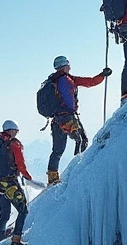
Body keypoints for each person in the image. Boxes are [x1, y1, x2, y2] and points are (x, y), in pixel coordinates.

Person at [44, 56, 110, 185]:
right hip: (67, 118)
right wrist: (103, 75)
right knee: (81, 139)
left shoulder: (52, 81)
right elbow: (89, 82)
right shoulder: (68, 80)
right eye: (68, 65)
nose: (70, 67)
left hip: (56, 120)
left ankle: (52, 178)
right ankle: (78, 168)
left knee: (57, 150)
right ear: (64, 66)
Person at [0, 120, 32, 245]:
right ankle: (16, 240)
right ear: (12, 130)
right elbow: (20, 162)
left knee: (4, 213)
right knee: (23, 209)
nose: (17, 133)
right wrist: (27, 176)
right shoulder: (13, 144)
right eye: (16, 130)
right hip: (10, 183)